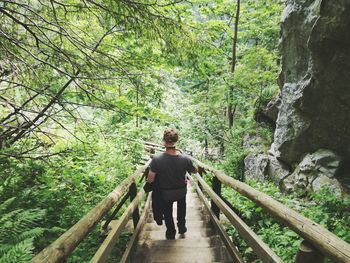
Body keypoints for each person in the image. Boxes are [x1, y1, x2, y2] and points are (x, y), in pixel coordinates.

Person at [147, 128, 197, 239]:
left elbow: (150, 180)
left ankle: (171, 231)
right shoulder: (185, 159)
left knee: (167, 212)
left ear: (164, 142)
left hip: (165, 193)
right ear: (177, 142)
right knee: (181, 208)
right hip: (181, 191)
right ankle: (182, 227)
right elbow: (194, 170)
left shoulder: (156, 159)